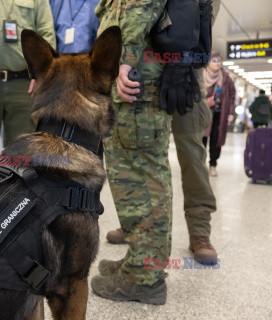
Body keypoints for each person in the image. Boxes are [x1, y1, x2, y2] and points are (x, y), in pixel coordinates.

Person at [106, 0, 221, 265]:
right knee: (141, 156)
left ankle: (199, 232)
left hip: (184, 76)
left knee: (192, 155)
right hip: (145, 72)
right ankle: (137, 225)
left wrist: (179, 55)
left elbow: (202, 9)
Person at [91, 0, 172, 305]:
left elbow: (140, 8)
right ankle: (141, 261)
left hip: (136, 81)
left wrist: (124, 60)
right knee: (135, 176)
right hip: (133, 78)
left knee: (139, 177)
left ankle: (144, 277)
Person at [0, 0, 56, 180]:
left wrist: (42, 71)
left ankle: (12, 200)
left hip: (24, 84)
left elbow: (46, 33)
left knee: (21, 150)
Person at [202, 52, 236, 176]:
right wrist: (208, 101)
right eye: (214, 60)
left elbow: (232, 96)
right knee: (202, 140)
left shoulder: (226, 78)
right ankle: (202, 164)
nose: (217, 63)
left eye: (219, 61)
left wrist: (231, 112)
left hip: (219, 115)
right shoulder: (201, 75)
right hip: (203, 114)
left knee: (216, 141)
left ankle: (213, 165)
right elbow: (195, 95)